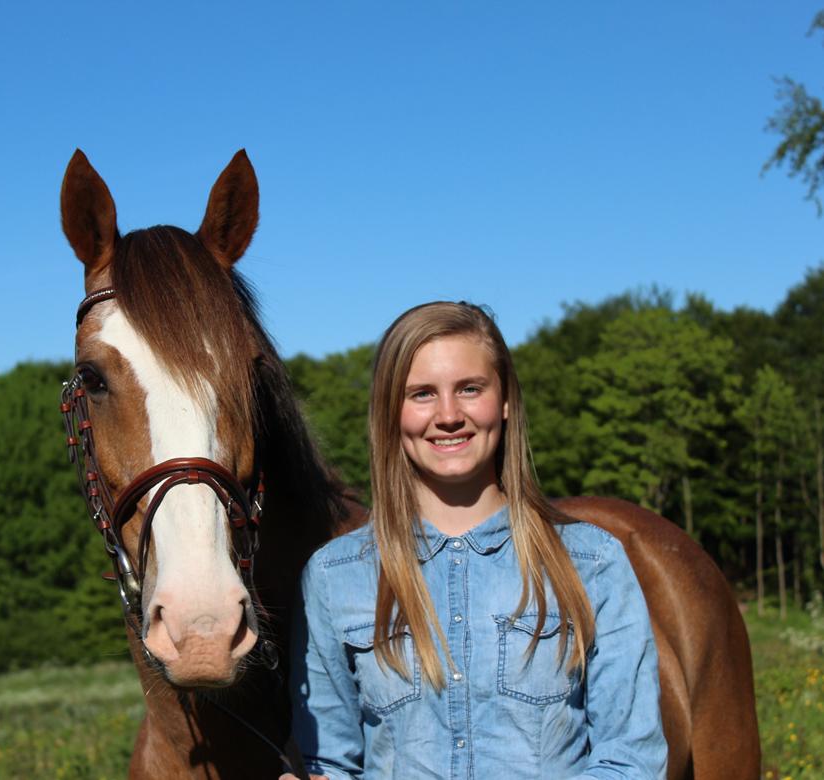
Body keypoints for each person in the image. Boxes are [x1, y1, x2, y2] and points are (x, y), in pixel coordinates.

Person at [282, 302, 666, 779]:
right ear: (390, 412)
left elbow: (631, 761)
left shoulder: (594, 562)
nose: (448, 415)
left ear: (504, 401)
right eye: (422, 394)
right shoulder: (333, 577)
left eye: (469, 389)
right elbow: (332, 762)